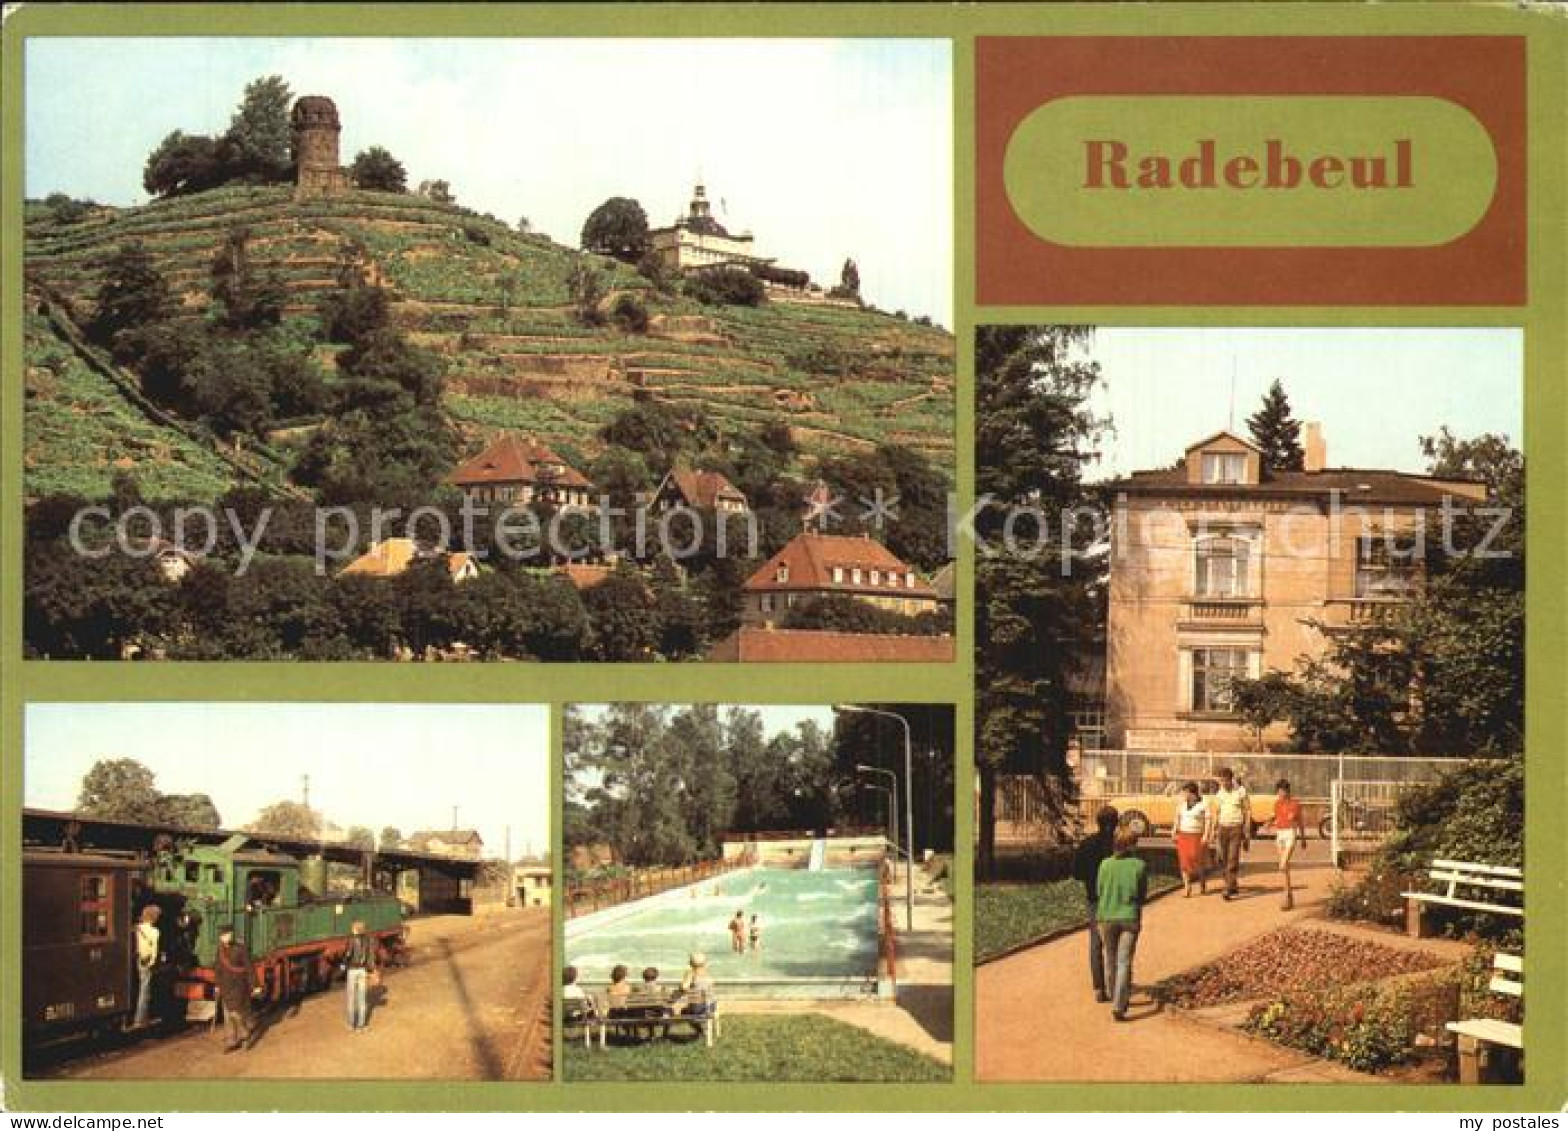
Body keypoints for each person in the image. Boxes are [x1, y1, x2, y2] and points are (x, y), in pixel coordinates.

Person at [1096, 827, 1149, 1022]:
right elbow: (1143, 894)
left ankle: (1113, 994)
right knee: (1124, 960)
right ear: (1131, 845)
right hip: (1129, 916)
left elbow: (1099, 889)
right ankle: (1119, 1004)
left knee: (1110, 958)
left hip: (1106, 915)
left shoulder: (1104, 865)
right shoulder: (1139, 866)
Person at [1071, 806, 1120, 1003]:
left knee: (1095, 942)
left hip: (1094, 897)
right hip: (1116, 898)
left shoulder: (1087, 844)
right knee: (1114, 943)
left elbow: (1077, 873)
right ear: (1115, 823)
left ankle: (1099, 986)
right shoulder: (1119, 845)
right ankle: (1115, 983)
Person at [214, 925, 257, 1052]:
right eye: (223, 935)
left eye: (228, 935)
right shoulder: (219, 951)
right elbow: (218, 969)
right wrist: (217, 985)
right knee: (228, 1015)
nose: (226, 937)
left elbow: (249, 967)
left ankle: (245, 1036)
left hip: (239, 985)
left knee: (237, 1013)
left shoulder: (240, 949)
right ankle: (232, 1040)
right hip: (225, 986)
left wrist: (255, 985)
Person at [1211, 767, 1252, 900]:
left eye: (1225, 780)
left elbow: (1247, 811)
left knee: (1233, 858)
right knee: (1223, 858)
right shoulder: (1219, 794)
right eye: (1221, 781)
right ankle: (1232, 884)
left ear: (1231, 779)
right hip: (1223, 828)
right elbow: (1216, 813)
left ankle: (1228, 888)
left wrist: (1247, 830)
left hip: (1236, 827)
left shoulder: (1240, 792)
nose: (1223, 783)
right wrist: (1214, 830)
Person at [1271, 778, 1307, 910]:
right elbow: (1276, 818)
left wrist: (1303, 839)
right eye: (1279, 791)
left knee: (1282, 864)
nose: (1281, 793)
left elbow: (1300, 823)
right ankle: (1288, 894)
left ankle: (1287, 895)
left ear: (1287, 791)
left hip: (1291, 833)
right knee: (1284, 868)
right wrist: (1271, 823)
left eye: (1283, 791)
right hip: (1280, 834)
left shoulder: (1295, 804)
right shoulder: (1277, 804)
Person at [1171, 781, 1212, 897]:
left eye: (1185, 792)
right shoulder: (1182, 805)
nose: (1183, 795)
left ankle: (1202, 883)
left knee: (1197, 861)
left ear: (1192, 793)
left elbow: (1208, 820)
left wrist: (1206, 835)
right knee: (1184, 862)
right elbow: (1177, 818)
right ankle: (1187, 887)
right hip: (1183, 835)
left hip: (1196, 836)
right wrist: (1174, 830)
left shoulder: (1202, 805)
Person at [343, 920, 378, 1032]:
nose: (351, 929)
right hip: (362, 971)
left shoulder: (351, 940)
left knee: (351, 998)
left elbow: (347, 955)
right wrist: (372, 970)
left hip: (352, 971)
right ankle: (361, 1026)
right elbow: (371, 957)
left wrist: (342, 965)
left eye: (352, 928)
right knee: (362, 999)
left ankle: (351, 1024)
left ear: (355, 929)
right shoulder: (369, 940)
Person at [130, 904, 161, 1030]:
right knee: (145, 990)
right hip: (147, 961)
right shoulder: (155, 932)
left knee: (138, 987)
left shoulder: (137, 928)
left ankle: (137, 1016)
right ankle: (140, 1019)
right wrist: (152, 962)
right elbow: (154, 951)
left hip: (137, 959)